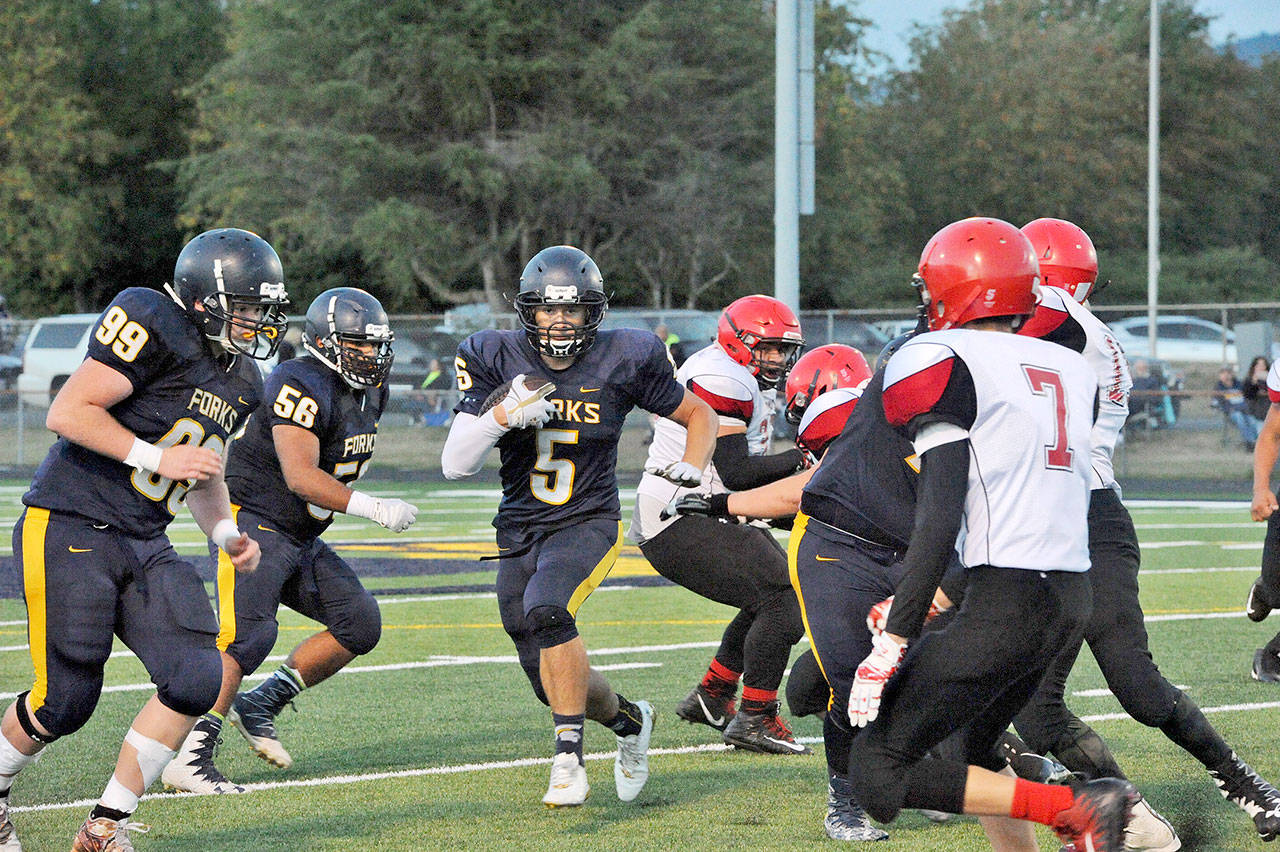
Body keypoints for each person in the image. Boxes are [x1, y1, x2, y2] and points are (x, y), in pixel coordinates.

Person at [843, 217, 1141, 852]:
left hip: (1006, 599)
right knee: (976, 748)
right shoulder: (1068, 365)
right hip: (1067, 598)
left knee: (876, 773)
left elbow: (941, 513)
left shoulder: (936, 358)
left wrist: (897, 633)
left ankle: (1081, 808)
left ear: (952, 288)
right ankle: (1071, 818)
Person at [0, 227, 287, 850]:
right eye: (245, 306)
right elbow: (70, 412)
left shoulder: (242, 379)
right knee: (65, 701)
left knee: (195, 677)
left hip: (144, 536)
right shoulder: (151, 316)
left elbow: (203, 469)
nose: (255, 321)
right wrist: (155, 456)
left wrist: (226, 531)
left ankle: (105, 826)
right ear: (205, 298)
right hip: (70, 520)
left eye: (262, 309)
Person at [1009, 218, 1280, 847]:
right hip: (1033, 523)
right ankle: (1126, 812)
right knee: (1035, 706)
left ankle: (1245, 782)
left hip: (1088, 516)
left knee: (1134, 682)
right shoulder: (1053, 329)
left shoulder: (1067, 326)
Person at [440, 245, 717, 807]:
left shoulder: (627, 356)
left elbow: (700, 415)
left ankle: (568, 757)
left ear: (594, 312)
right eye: (547, 309)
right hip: (518, 525)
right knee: (544, 672)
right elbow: (455, 464)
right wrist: (500, 416)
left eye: (572, 309)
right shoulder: (495, 356)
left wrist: (694, 464)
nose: (559, 321)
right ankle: (631, 721)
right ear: (528, 312)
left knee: (549, 609)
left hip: (588, 519)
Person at [161, 287, 419, 794]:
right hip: (252, 520)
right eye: (359, 344)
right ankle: (189, 756)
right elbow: (301, 475)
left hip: (298, 533)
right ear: (327, 341)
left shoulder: (371, 391)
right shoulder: (298, 379)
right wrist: (373, 506)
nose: (372, 355)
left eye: (375, 345)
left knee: (359, 623)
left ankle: (261, 703)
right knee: (247, 637)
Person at [632, 295, 813, 756]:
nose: (775, 358)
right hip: (681, 512)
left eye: (781, 349)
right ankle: (755, 717)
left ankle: (713, 696)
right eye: (765, 347)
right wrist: (802, 460)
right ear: (737, 341)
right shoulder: (721, 378)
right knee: (783, 599)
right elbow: (737, 473)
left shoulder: (736, 373)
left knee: (774, 593)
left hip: (706, 506)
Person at [1213, 364, 1259, 449]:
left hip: (1245, 410)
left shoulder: (1239, 384)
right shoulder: (1218, 388)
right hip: (1232, 412)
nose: (1226, 375)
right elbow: (1220, 403)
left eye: (1228, 373)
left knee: (1252, 421)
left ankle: (1257, 442)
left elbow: (1247, 398)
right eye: (1223, 373)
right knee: (1239, 417)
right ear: (1220, 375)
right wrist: (1231, 409)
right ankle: (1251, 442)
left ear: (1232, 374)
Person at [1243, 356, 1270, 434]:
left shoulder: (1271, 380)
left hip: (1270, 411)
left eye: (1263, 365)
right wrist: (1254, 382)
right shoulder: (1249, 380)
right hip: (1256, 412)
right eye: (1258, 365)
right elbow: (1248, 394)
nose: (1261, 367)